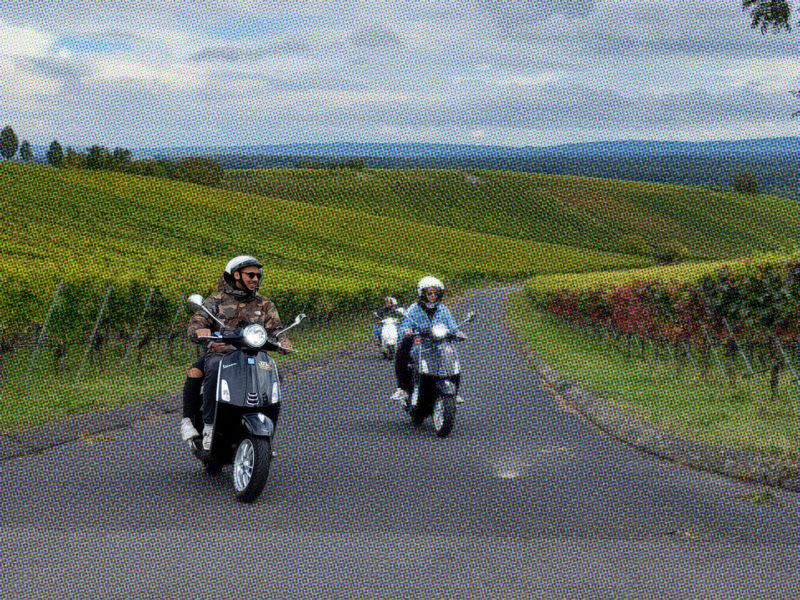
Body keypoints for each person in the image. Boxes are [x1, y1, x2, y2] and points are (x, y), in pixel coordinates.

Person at [186, 255, 292, 450]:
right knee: (214, 367)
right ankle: (209, 426)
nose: (255, 279)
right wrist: (199, 329)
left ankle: (266, 432)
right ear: (236, 275)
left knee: (274, 372)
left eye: (258, 276)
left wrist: (283, 340)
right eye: (250, 274)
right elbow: (197, 321)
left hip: (254, 354)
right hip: (222, 354)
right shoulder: (216, 300)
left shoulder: (264, 303)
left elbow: (275, 329)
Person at [391, 276, 464, 405]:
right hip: (419, 341)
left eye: (435, 293)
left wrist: (458, 332)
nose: (432, 296)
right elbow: (405, 325)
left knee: (453, 359)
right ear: (422, 293)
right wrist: (408, 332)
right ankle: (402, 388)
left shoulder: (443, 309)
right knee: (402, 350)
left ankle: (454, 392)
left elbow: (452, 325)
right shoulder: (414, 309)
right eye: (429, 293)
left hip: (439, 343)